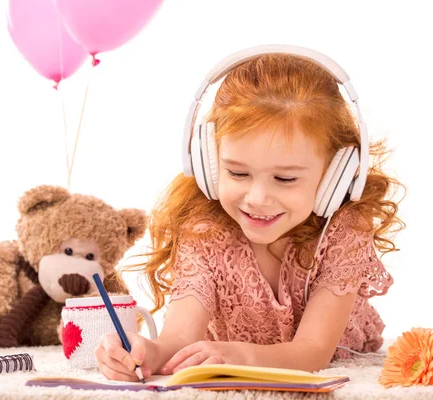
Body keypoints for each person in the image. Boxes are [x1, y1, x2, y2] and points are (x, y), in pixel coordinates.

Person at [94, 45, 405, 381]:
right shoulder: (204, 229)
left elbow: (313, 351)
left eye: (285, 178)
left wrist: (237, 355)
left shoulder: (344, 230)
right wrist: (145, 352)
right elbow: (180, 338)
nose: (257, 198)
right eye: (238, 173)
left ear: (335, 175)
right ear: (208, 164)